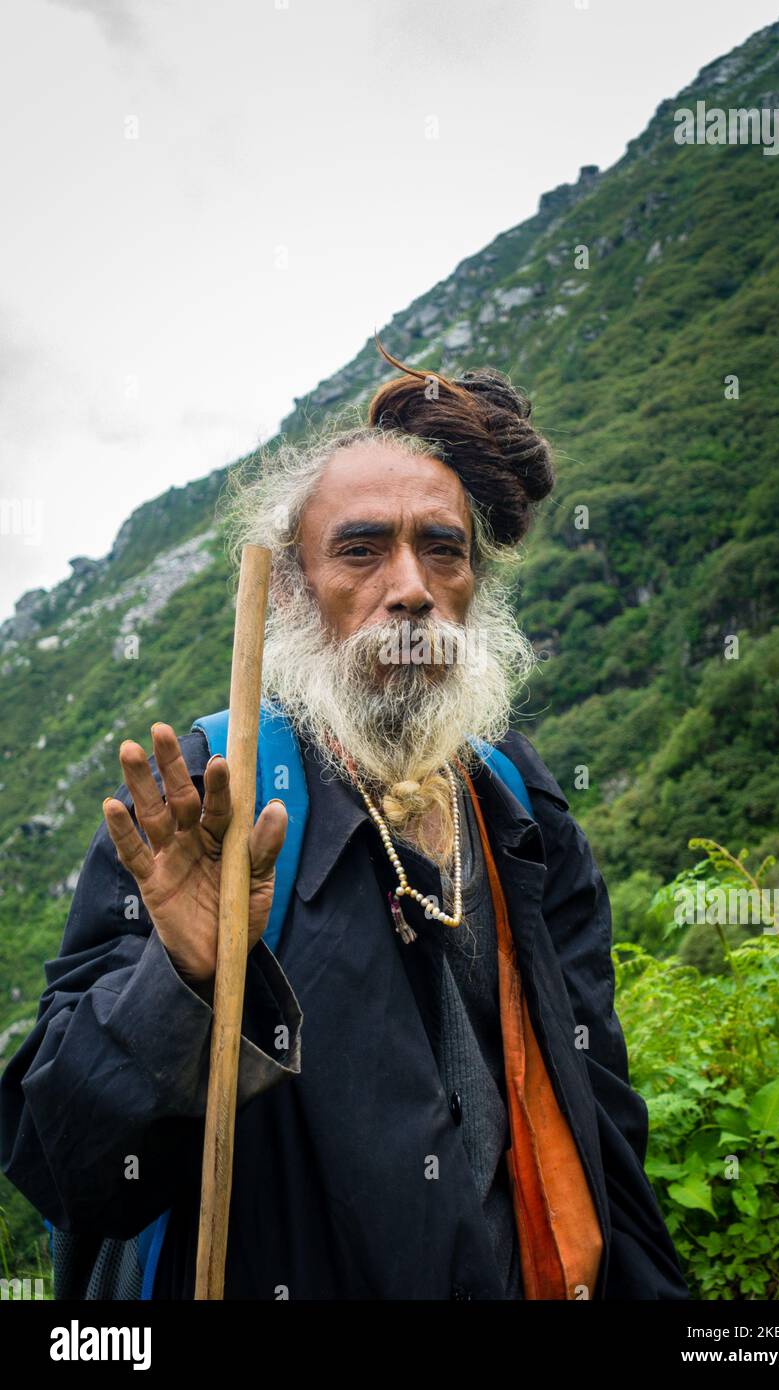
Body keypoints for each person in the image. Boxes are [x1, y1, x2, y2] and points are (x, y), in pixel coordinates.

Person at [0, 343, 690, 1300]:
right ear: (290, 590)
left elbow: (603, 1135)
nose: (408, 587)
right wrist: (182, 980)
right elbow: (63, 1163)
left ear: (473, 585)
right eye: (362, 550)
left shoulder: (520, 808)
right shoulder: (212, 795)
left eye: (441, 549)